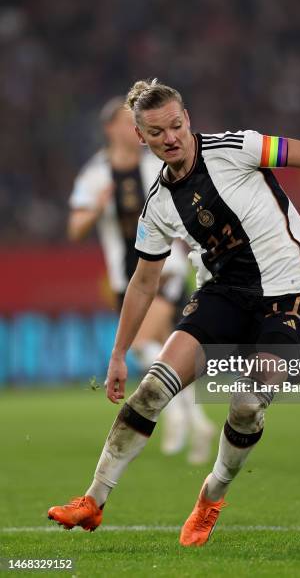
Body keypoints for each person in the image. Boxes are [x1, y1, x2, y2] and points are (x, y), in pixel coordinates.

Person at [49, 79, 300, 545]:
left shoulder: (237, 147)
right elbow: (143, 282)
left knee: (245, 404)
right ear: (141, 137)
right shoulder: (157, 204)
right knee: (152, 390)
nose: (171, 137)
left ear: (188, 118)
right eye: (157, 132)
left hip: (295, 294)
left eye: (176, 125)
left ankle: (212, 493)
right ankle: (93, 501)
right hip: (225, 295)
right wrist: (118, 355)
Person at [67, 96, 215, 463]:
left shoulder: (155, 166)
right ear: (110, 129)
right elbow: (75, 228)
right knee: (165, 351)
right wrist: (98, 207)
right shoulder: (94, 175)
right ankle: (197, 421)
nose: (127, 129)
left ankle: (177, 416)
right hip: (126, 277)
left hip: (166, 269)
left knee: (142, 342)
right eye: (121, 122)